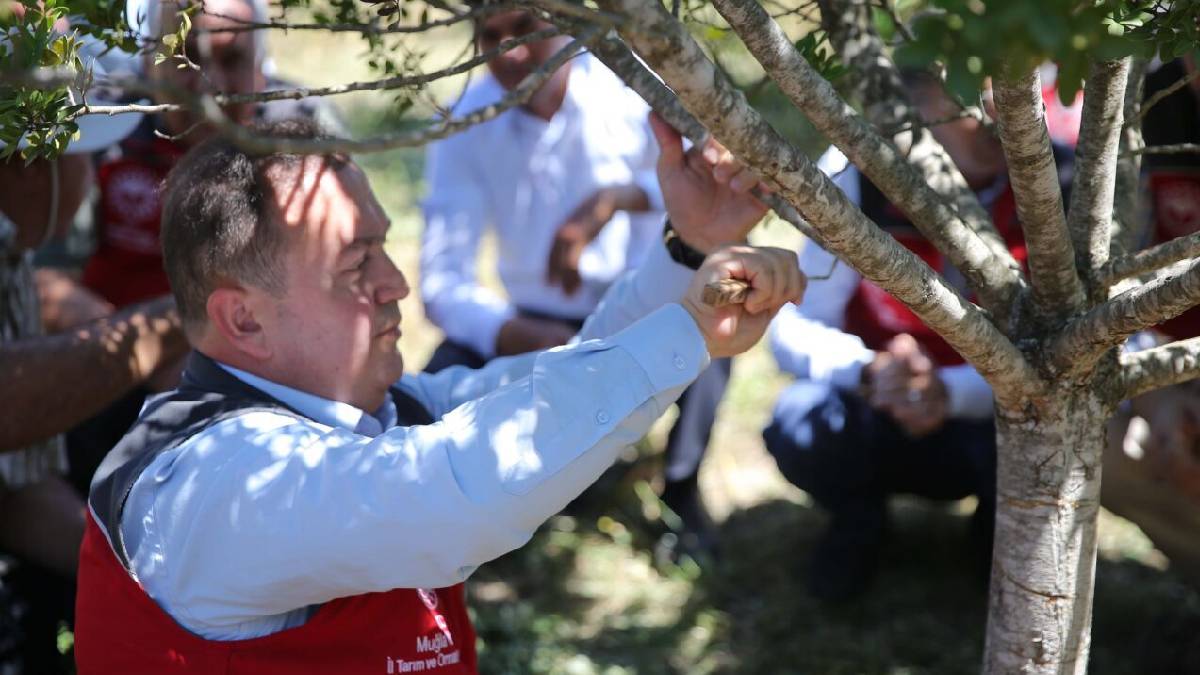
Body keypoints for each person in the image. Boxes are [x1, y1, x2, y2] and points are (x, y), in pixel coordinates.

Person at [73, 116, 801, 673]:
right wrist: (690, 329)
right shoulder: (214, 481)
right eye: (358, 263)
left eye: (384, 247)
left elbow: (563, 384)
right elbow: (456, 495)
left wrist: (688, 251)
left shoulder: (370, 414)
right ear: (244, 318)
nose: (397, 283)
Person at [421, 10, 739, 557]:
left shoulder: (625, 83)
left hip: (644, 298)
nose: (509, 52)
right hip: (532, 317)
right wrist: (512, 331)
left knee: (712, 324)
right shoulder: (467, 120)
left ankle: (681, 491)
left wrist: (616, 199)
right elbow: (442, 277)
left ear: (562, 22)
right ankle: (467, 516)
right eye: (490, 35)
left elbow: (705, 178)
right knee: (439, 376)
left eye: (525, 28)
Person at [762, 71, 1073, 602]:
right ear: (916, 104)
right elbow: (793, 325)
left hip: (999, 424)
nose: (989, 116)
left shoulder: (1066, 185)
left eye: (1011, 96)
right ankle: (860, 522)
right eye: (965, 101)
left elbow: (1088, 351)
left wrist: (952, 391)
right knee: (799, 419)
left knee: (1063, 435)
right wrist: (867, 370)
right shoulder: (859, 175)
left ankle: (1000, 558)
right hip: (876, 406)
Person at [37, 0, 342, 496]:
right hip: (117, 372)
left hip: (266, 374)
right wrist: (145, 346)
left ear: (262, 63)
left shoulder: (302, 131)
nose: (209, 86)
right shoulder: (104, 122)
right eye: (186, 60)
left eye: (230, 58)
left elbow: (344, 286)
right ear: (149, 60)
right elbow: (47, 282)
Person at [0, 23, 188, 669]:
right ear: (28, 159)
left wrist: (150, 593)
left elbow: (18, 493)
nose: (91, 173)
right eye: (79, 152)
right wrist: (163, 326)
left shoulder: (10, 256)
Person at [1101, 55, 1200, 585]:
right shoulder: (1149, 100)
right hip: (1175, 369)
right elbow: (1118, 279)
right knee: (1107, 452)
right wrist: (1157, 396)